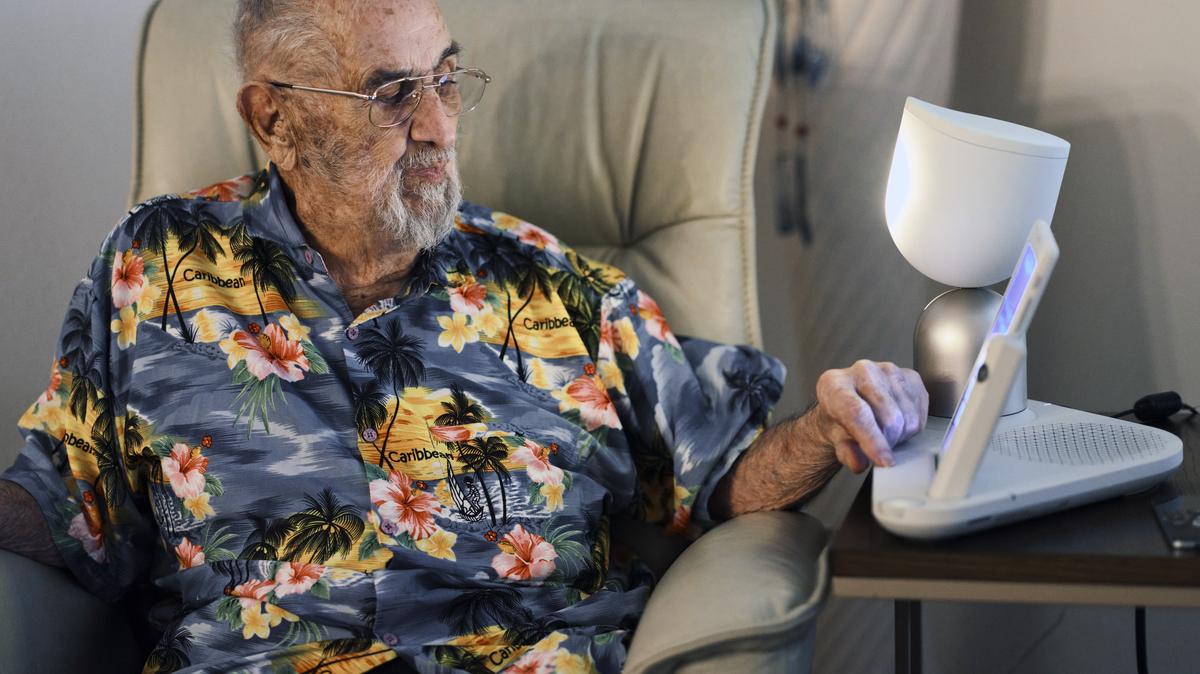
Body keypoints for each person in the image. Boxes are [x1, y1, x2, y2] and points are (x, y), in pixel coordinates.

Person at [0, 1, 928, 672]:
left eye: (446, 77)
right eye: (394, 93)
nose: (441, 125)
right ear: (274, 119)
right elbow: (66, 505)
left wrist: (824, 430)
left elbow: (720, 477)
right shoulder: (157, 266)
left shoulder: (542, 280)